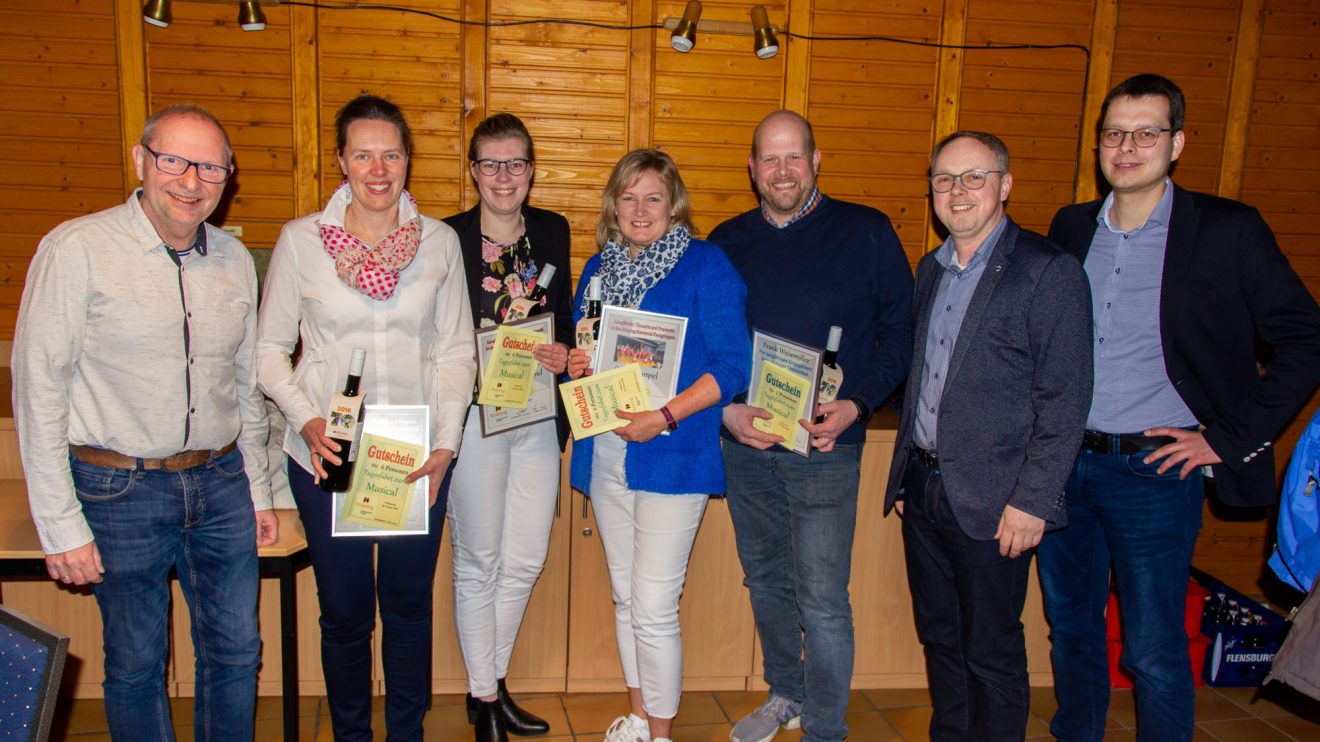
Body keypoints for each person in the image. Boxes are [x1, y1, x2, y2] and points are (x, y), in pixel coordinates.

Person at [1039, 73, 1320, 741]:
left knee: (1156, 649)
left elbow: (1306, 338)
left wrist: (1226, 438)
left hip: (1155, 473)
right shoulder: (1070, 227)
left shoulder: (1227, 230)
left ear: (1178, 143)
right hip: (1062, 467)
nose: (1127, 146)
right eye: (1114, 133)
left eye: (1146, 132)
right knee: (1072, 628)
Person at [12, 103, 278, 740]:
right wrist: (58, 524)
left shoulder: (236, 262)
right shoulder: (76, 249)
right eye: (174, 161)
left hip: (219, 485)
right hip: (117, 490)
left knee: (237, 654)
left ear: (228, 177)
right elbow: (38, 389)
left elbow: (243, 388)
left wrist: (259, 489)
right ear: (140, 161)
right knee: (136, 664)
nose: (192, 181)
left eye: (210, 167)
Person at [256, 94, 475, 741]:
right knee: (345, 614)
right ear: (341, 161)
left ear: (408, 160)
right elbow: (269, 352)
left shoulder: (437, 244)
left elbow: (457, 349)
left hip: (413, 457)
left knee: (408, 609)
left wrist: (446, 444)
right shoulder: (301, 243)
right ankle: (351, 734)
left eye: (392, 154)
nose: (378, 170)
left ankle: (406, 734)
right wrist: (304, 419)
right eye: (363, 155)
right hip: (329, 455)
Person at [708, 110, 913, 742]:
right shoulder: (726, 240)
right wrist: (727, 412)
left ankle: (826, 728)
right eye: (769, 159)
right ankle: (786, 694)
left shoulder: (867, 231)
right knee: (766, 582)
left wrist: (856, 405)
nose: (782, 170)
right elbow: (709, 345)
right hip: (748, 446)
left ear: (817, 160)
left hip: (827, 446)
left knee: (824, 600)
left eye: (794, 156)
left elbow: (902, 336)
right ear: (751, 169)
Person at [884, 131, 1092, 739]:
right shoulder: (932, 268)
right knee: (941, 641)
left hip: (997, 501)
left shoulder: (1047, 271)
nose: (957, 191)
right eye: (944, 179)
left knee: (991, 652)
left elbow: (1066, 399)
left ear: (1005, 185)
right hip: (925, 492)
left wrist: (1033, 500)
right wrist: (905, 476)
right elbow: (924, 378)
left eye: (974, 177)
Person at [566, 149, 750, 742]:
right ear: (612, 206)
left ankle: (661, 733)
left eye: (653, 197)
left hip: (673, 452)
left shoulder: (706, 266)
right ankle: (639, 718)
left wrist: (664, 414)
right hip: (608, 452)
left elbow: (733, 366)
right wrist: (575, 364)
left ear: (673, 205)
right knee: (625, 599)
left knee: (652, 606)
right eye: (628, 197)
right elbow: (585, 358)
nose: (640, 209)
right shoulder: (598, 268)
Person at [443, 113, 572, 742]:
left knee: (524, 557)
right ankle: (485, 695)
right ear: (473, 171)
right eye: (490, 164)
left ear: (531, 170)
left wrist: (563, 351)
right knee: (480, 560)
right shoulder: (446, 238)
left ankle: (488, 685)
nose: (503, 176)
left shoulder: (552, 231)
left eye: (515, 163)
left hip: (537, 415)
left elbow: (567, 319)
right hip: (474, 421)